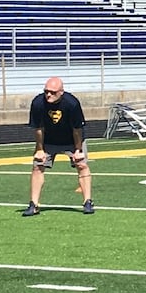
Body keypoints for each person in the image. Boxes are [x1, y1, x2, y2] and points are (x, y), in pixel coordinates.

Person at [24, 77, 93, 216]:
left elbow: (77, 129)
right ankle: (34, 204)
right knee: (38, 166)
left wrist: (78, 150)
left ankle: (88, 202)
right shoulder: (38, 103)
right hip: (48, 140)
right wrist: (39, 149)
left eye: (52, 92)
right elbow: (38, 128)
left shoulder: (71, 103)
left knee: (82, 165)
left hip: (72, 139)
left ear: (61, 92)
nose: (48, 95)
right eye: (46, 91)